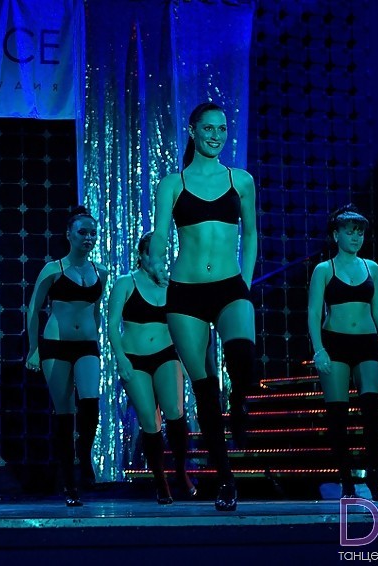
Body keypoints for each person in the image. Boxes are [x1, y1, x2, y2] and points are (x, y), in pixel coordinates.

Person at [149, 101, 257, 512]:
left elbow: (252, 233)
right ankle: (226, 480)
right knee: (205, 390)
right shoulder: (172, 183)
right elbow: (160, 233)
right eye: (208, 128)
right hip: (186, 292)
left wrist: (246, 279)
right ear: (193, 131)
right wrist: (156, 258)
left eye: (222, 128)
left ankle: (240, 398)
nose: (216, 135)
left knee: (242, 360)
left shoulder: (240, 180)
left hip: (230, 286)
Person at [307, 204, 378, 501]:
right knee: (338, 414)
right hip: (334, 342)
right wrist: (319, 349)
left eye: (360, 232)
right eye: (350, 232)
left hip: (367, 342)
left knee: (372, 409)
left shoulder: (372, 268)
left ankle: (373, 476)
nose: (356, 237)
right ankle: (345, 479)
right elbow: (313, 312)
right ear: (336, 235)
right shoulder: (324, 269)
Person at [26, 205, 108, 507]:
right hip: (56, 345)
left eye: (93, 233)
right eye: (82, 232)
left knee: (90, 403)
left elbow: (96, 310)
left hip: (86, 344)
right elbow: (33, 309)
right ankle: (69, 483)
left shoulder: (100, 272)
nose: (89, 238)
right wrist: (34, 349)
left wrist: (96, 337)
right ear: (69, 235)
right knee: (64, 413)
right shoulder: (53, 269)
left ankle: (83, 456)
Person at [107, 232, 197, 504]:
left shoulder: (171, 285)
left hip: (166, 354)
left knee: (175, 411)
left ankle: (180, 471)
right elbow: (112, 324)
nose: (158, 259)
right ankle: (160, 481)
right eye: (152, 253)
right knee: (150, 420)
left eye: (162, 254)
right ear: (142, 254)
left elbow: (185, 323)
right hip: (135, 357)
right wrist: (120, 358)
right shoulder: (126, 282)